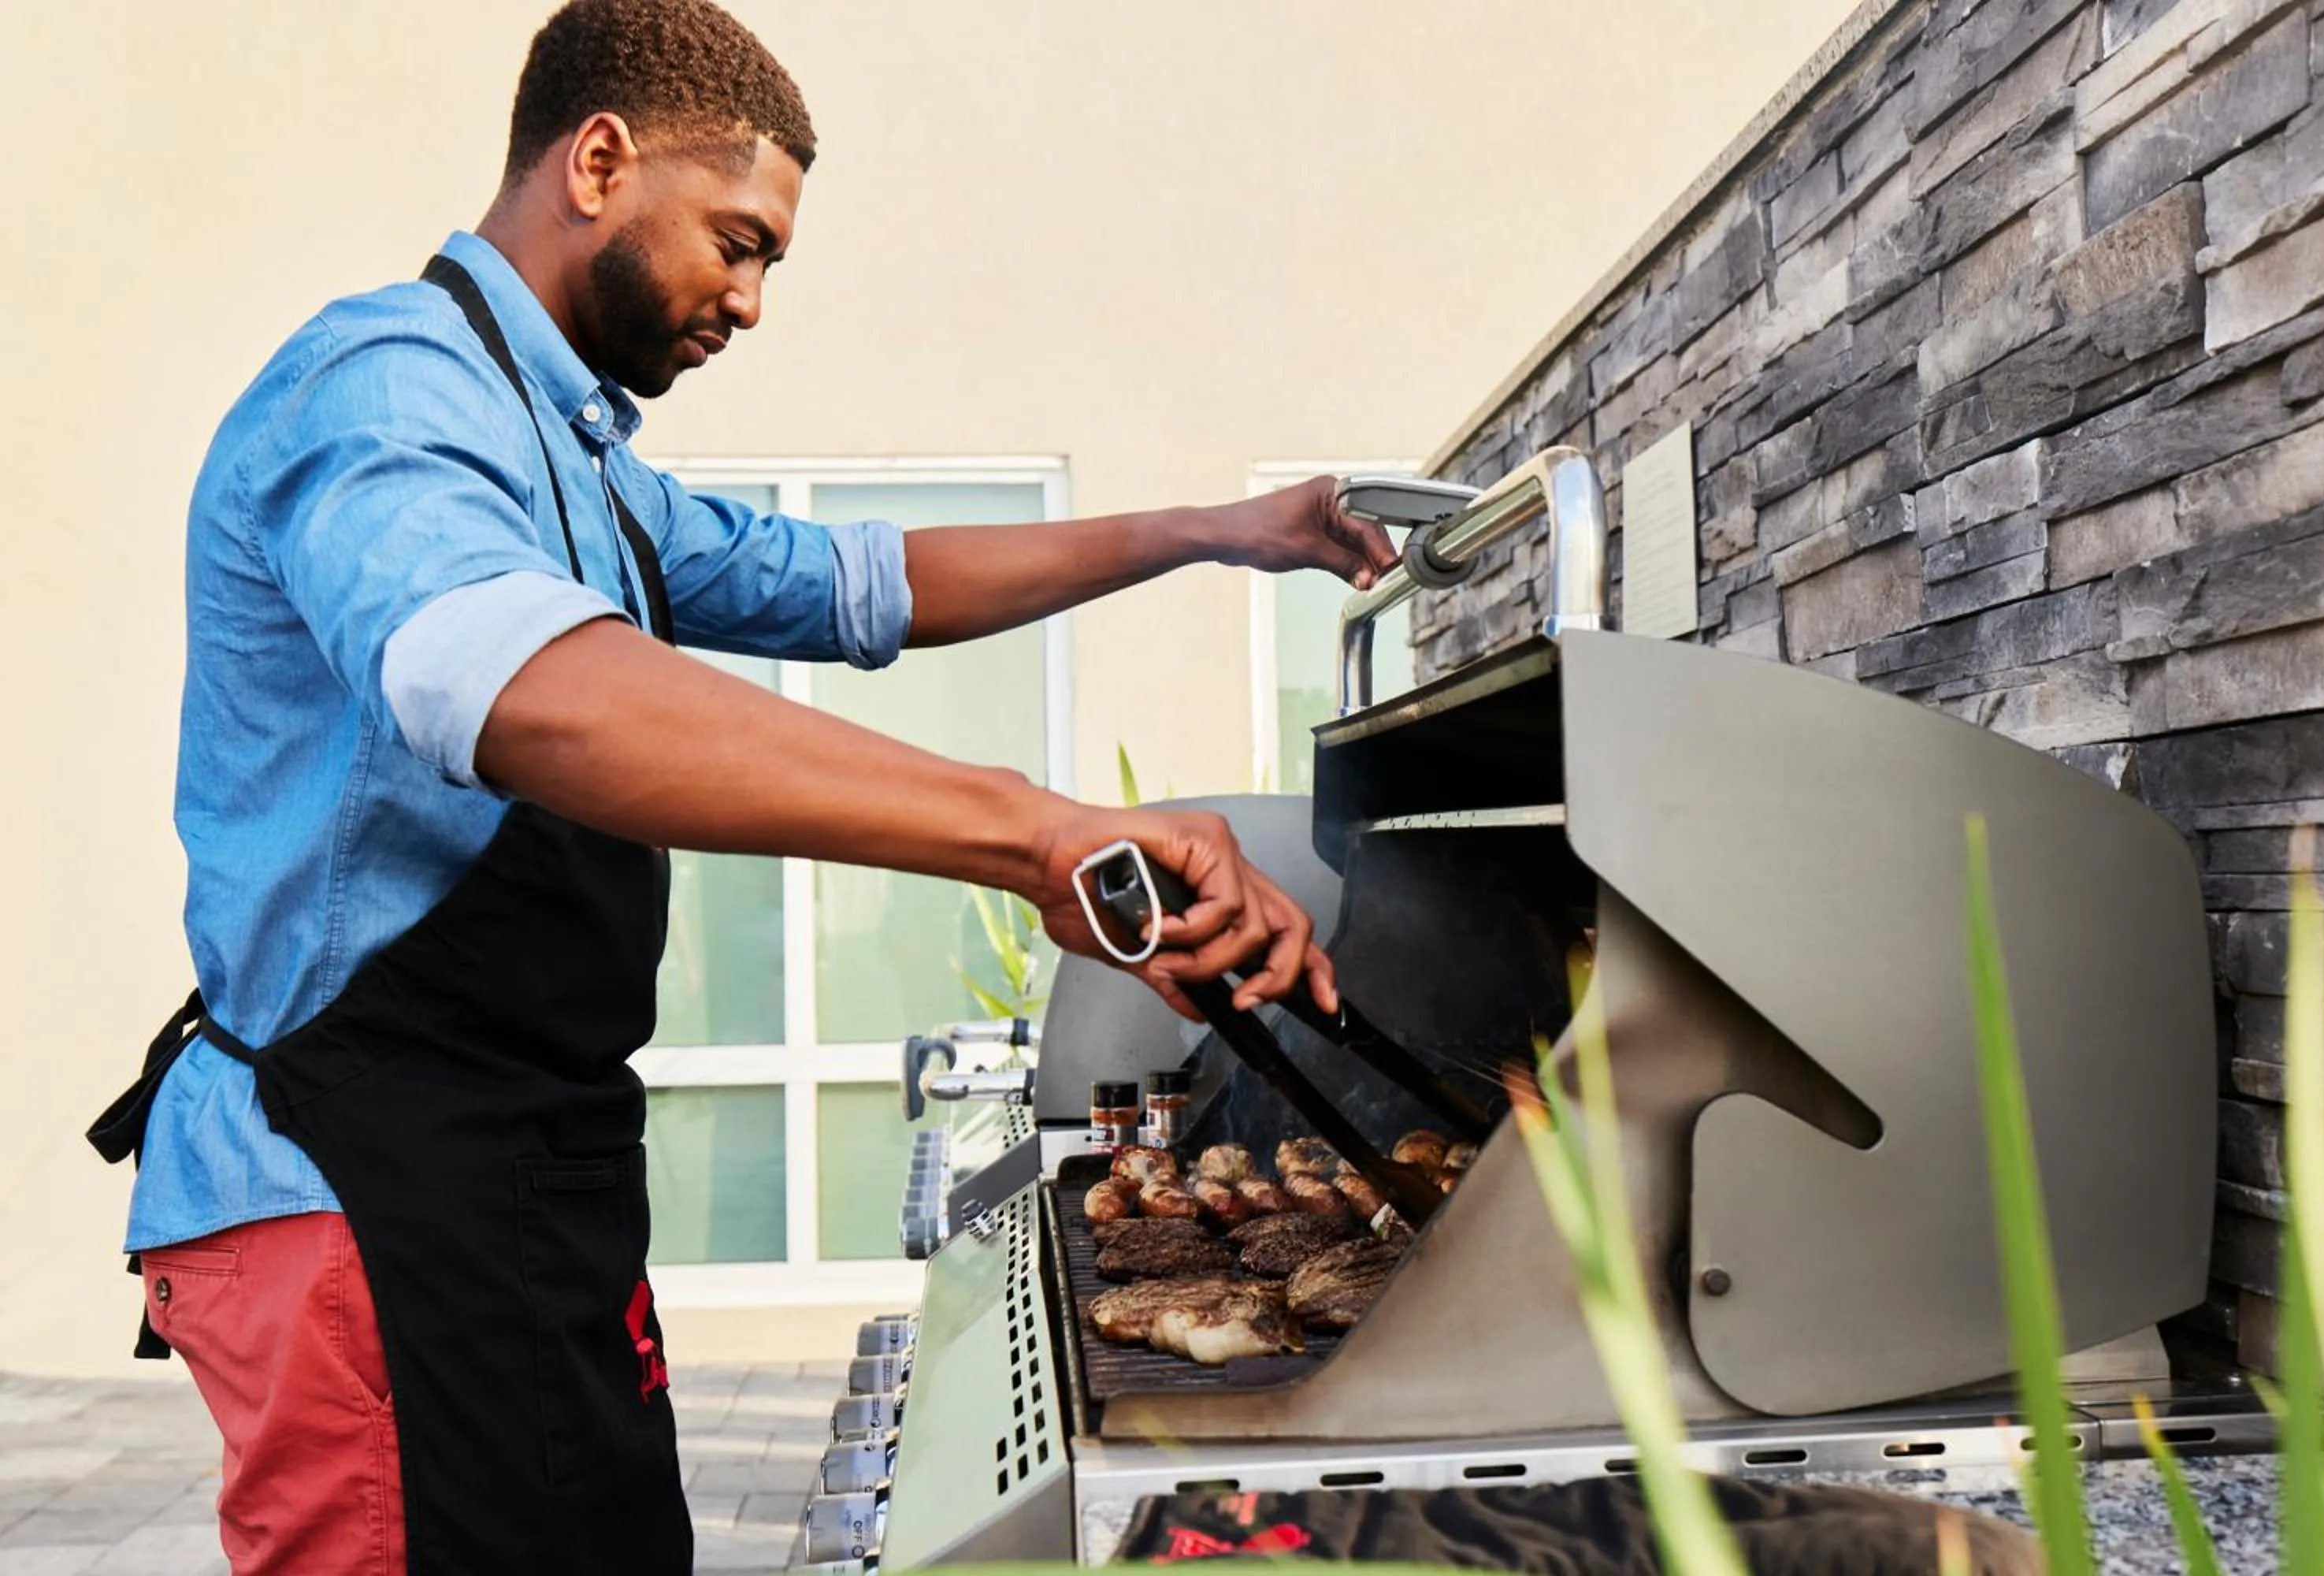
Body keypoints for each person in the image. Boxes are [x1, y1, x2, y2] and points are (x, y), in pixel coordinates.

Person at [85, 2, 1396, 1570]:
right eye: (738, 242)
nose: (753, 301)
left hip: (522, 1175)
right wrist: (1038, 835)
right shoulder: (384, 387)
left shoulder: (581, 464)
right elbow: (525, 689)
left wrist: (1215, 533)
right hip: (363, 1187)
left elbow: (860, 582)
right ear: (599, 163)